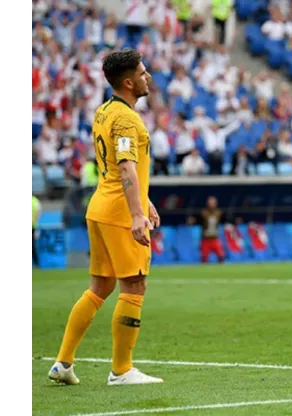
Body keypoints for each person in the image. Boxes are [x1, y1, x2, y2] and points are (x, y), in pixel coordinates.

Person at [48, 49, 163, 385]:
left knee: (99, 287)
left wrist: (145, 199)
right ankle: (122, 370)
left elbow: (116, 167)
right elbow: (126, 166)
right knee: (134, 284)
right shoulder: (127, 119)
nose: (148, 77)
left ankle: (63, 363)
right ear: (128, 82)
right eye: (143, 73)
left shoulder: (105, 110)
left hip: (100, 207)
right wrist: (137, 214)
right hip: (118, 213)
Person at [200, 196, 225, 263]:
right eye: (210, 203)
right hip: (206, 238)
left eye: (213, 203)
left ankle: (222, 271)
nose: (212, 204)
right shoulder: (203, 213)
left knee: (221, 256)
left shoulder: (218, 213)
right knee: (204, 257)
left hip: (215, 238)